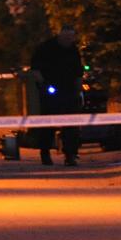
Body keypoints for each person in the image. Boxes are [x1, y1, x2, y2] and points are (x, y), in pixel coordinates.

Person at [30, 25, 84, 166]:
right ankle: (45, 153)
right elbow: (35, 69)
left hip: (69, 91)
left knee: (71, 124)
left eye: (71, 37)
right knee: (48, 123)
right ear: (60, 35)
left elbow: (78, 71)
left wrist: (78, 89)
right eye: (66, 37)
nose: (69, 40)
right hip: (50, 89)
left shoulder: (73, 50)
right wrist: (43, 85)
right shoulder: (46, 48)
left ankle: (70, 154)